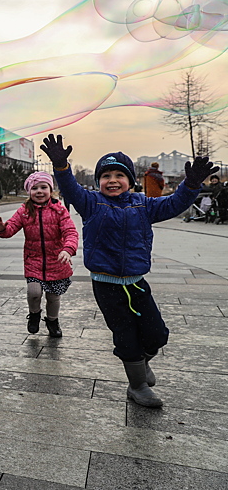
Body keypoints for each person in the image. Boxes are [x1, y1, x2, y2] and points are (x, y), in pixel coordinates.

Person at [40, 134, 215, 408]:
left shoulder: (144, 205)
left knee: (157, 334)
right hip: (107, 285)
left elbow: (174, 204)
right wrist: (62, 167)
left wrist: (191, 185)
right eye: (106, 175)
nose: (112, 180)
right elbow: (71, 189)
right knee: (126, 336)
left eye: (119, 175)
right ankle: (137, 386)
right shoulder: (91, 203)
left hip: (137, 283)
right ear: (98, 181)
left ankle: (141, 363)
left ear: (131, 181)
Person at [0, 172, 79, 337]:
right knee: (34, 292)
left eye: (43, 187)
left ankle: (52, 321)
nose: (39, 191)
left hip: (57, 261)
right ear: (28, 192)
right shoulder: (24, 210)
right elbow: (11, 228)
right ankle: (34, 314)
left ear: (51, 189)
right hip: (34, 260)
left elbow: (71, 232)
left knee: (53, 297)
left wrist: (68, 249)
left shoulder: (59, 209)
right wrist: (2, 229)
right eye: (34, 188)